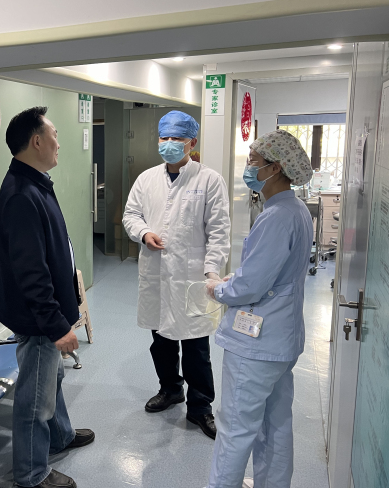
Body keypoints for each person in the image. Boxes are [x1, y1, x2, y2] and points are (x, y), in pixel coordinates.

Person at [206, 130, 314, 488]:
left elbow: (250, 286)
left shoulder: (276, 216)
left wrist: (219, 288)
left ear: (276, 167)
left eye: (254, 161)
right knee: (276, 424)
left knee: (236, 428)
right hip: (282, 341)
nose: (249, 168)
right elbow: (272, 272)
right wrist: (240, 277)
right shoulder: (296, 210)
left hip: (256, 344)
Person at [0, 107, 95, 488]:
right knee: (35, 397)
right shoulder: (22, 195)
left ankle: (60, 436)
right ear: (36, 141)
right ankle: (31, 474)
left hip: (45, 315)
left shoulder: (35, 184)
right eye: (54, 134)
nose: (58, 142)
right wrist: (56, 325)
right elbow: (31, 273)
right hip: (37, 319)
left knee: (51, 377)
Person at [123, 110, 230, 439]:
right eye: (164, 137)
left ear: (191, 143)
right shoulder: (146, 179)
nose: (169, 144)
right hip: (156, 273)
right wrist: (143, 233)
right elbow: (131, 215)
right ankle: (170, 390)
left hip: (192, 276)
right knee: (161, 340)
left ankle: (200, 406)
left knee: (196, 346)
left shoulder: (209, 180)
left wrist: (212, 272)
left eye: (176, 138)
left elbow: (219, 231)